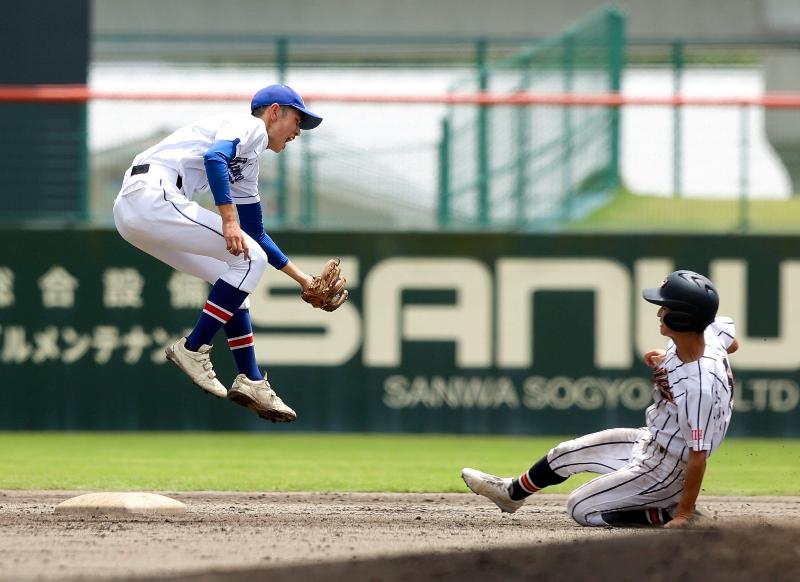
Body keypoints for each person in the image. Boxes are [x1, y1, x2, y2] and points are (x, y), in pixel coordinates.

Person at [113, 84, 326, 423]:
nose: (298, 131)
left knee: (235, 273)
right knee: (248, 260)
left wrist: (302, 278)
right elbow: (214, 158)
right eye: (297, 120)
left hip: (137, 210)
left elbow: (254, 232)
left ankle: (252, 380)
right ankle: (192, 349)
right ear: (274, 112)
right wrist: (228, 219)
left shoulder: (248, 162)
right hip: (153, 193)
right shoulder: (251, 128)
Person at [462, 270, 738, 528]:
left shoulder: (697, 386)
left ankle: (668, 510)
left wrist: (684, 514)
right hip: (651, 440)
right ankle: (512, 494)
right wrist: (669, 358)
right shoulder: (708, 335)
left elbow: (698, 456)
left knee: (581, 507)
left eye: (665, 308)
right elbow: (731, 340)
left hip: (668, 467)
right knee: (566, 453)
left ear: (683, 319)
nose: (659, 312)